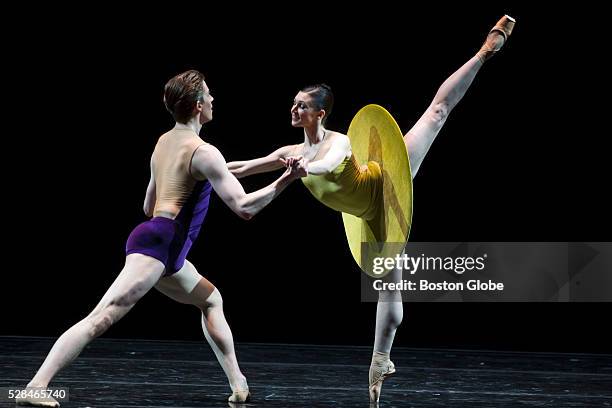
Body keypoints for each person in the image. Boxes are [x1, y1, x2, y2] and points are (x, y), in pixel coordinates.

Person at [227, 15, 515, 404]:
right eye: (293, 103)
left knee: (436, 112)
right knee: (389, 294)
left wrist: (303, 170)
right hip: (369, 214)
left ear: (319, 114)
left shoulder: (338, 144)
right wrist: (201, 164)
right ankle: (381, 361)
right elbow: (241, 167)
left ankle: (484, 51)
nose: (293, 109)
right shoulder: (290, 152)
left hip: (386, 180)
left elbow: (328, 167)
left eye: (301, 105)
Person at [16, 70, 305, 407]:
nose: (213, 100)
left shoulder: (163, 143)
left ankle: (239, 383)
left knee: (211, 300)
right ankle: (35, 386)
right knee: (102, 316)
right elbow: (243, 208)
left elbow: (148, 204)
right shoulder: (204, 151)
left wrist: (273, 163)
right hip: (160, 243)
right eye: (209, 95)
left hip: (162, 243)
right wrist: (287, 179)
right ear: (198, 105)